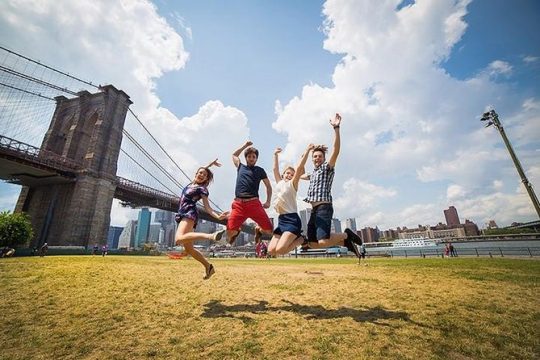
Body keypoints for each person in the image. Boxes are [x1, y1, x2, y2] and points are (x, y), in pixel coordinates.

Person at [302, 113, 363, 257]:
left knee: (323, 241)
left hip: (324, 208)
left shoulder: (326, 168)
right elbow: (299, 175)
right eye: (315, 156)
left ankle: (347, 235)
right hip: (314, 210)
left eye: (320, 156)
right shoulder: (313, 173)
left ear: (323, 158)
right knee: (312, 243)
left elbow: (336, 150)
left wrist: (336, 128)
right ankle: (346, 243)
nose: (317, 158)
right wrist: (305, 154)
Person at [175, 159, 228, 280]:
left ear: (206, 180)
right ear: (196, 174)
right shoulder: (190, 184)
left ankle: (211, 236)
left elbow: (208, 208)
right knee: (189, 249)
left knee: (178, 239)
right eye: (200, 173)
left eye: (204, 175)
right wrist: (210, 165)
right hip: (182, 213)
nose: (201, 175)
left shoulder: (201, 189)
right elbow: (202, 170)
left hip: (189, 213)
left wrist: (218, 216)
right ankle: (209, 267)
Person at [268, 143, 314, 256]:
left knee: (280, 251)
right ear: (283, 174)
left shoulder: (292, 185)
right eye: (287, 173)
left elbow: (299, 168)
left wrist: (307, 151)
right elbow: (275, 169)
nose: (289, 175)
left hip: (292, 220)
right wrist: (275, 155)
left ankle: (301, 240)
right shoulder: (279, 183)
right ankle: (299, 239)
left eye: (292, 174)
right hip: (281, 219)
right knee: (271, 251)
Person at [226, 141, 273, 245]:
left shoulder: (260, 170)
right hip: (239, 205)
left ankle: (258, 230)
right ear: (246, 158)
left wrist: (268, 201)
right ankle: (237, 230)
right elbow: (234, 155)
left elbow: (268, 186)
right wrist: (245, 146)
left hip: (254, 204)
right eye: (249, 156)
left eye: (254, 157)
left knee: (269, 231)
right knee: (229, 234)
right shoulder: (240, 167)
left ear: (256, 158)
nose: (251, 158)